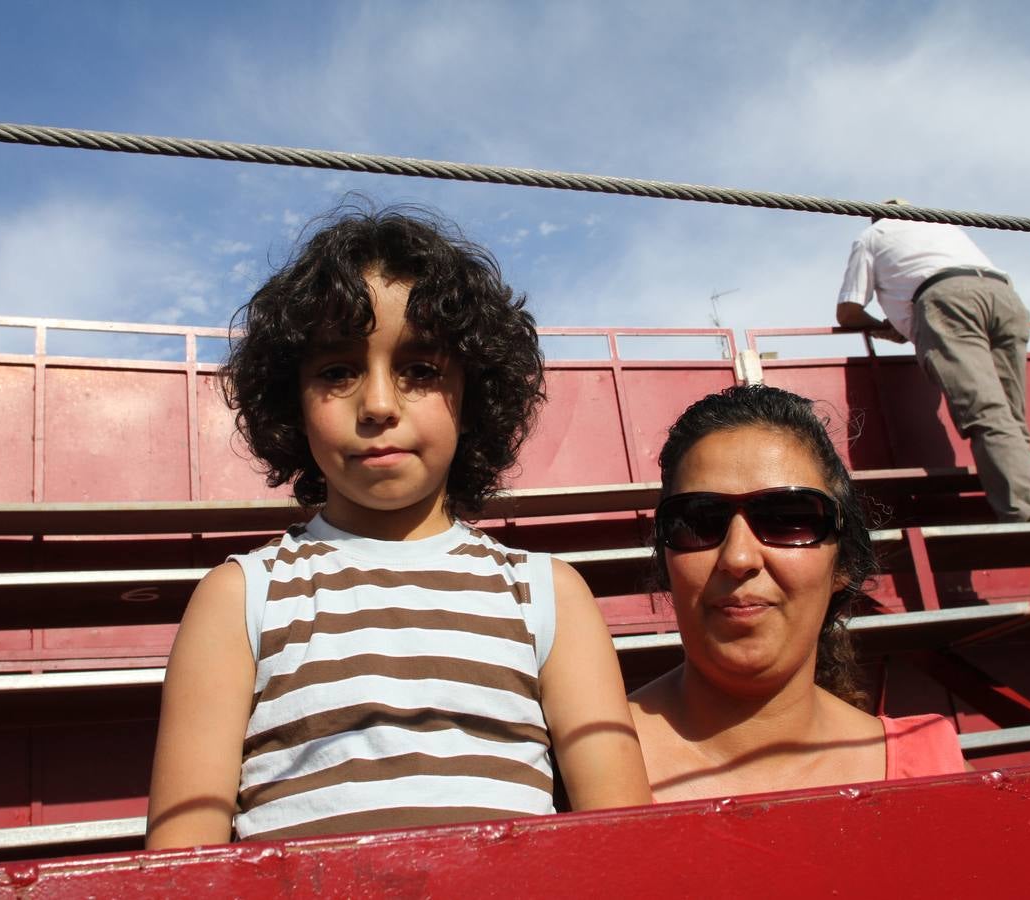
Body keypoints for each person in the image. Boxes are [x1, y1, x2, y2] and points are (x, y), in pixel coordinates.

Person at [146, 202, 651, 848]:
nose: (379, 404)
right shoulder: (241, 598)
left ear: (473, 394)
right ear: (290, 399)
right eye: (337, 371)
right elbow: (183, 864)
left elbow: (626, 847)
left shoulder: (547, 597)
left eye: (420, 370)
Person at [629, 385, 967, 803]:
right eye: (699, 520)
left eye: (788, 518)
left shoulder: (937, 775)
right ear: (666, 561)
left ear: (843, 563)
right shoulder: (562, 769)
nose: (737, 557)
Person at [835, 201, 1030, 522]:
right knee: (1012, 420)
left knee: (988, 417)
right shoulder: (940, 224)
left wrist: (886, 328)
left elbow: (848, 312)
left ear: (876, 216)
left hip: (948, 299)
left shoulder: (874, 234)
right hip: (1004, 297)